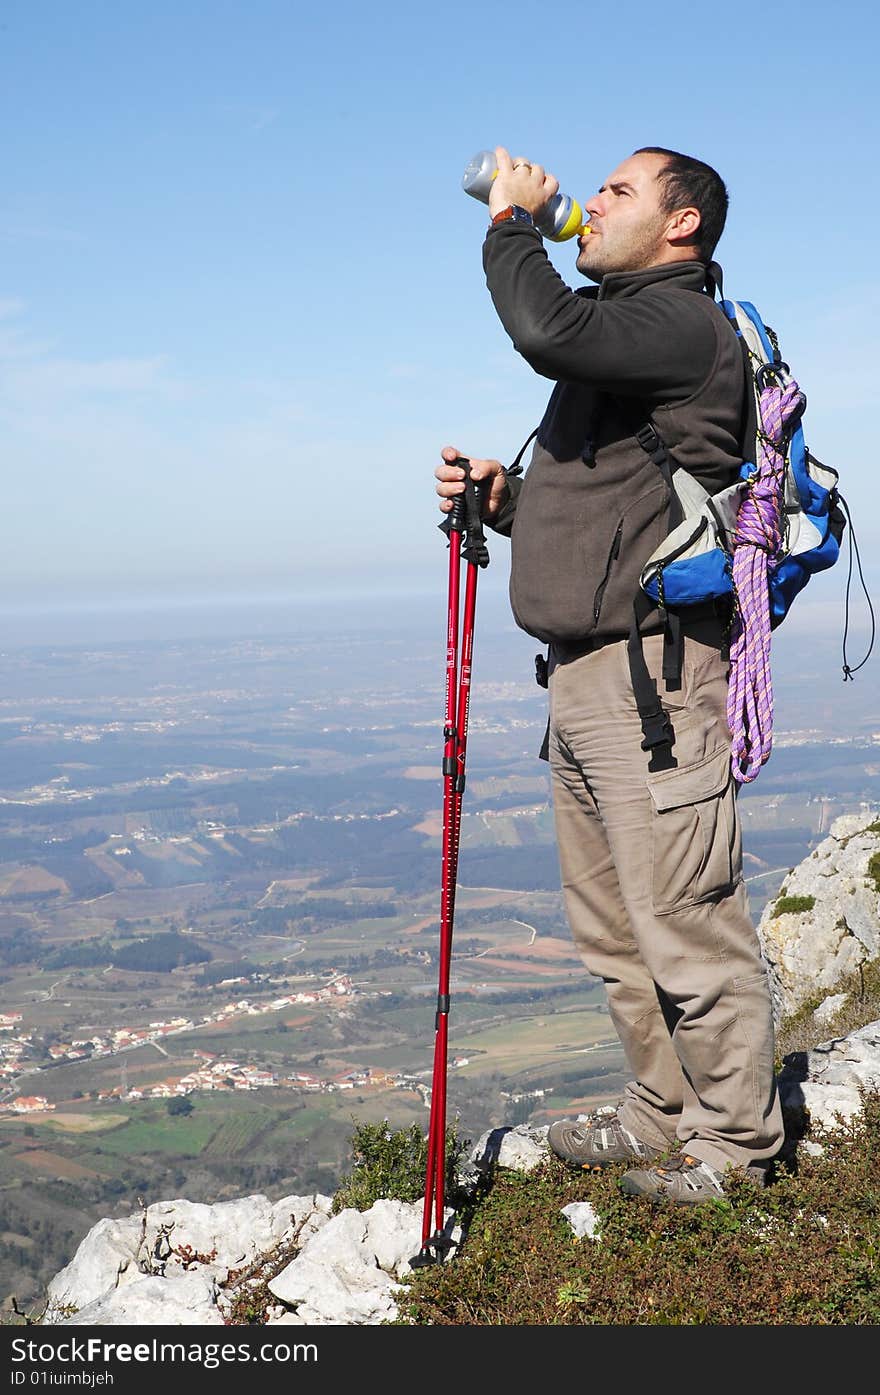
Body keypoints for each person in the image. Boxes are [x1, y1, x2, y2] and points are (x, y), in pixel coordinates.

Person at [435, 144, 784, 1205]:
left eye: (618, 192)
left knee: (683, 918)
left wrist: (512, 220)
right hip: (584, 680)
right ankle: (659, 1112)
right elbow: (609, 498)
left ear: (680, 226)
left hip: (656, 685)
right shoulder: (622, 349)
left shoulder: (677, 323)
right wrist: (503, 499)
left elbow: (545, 329)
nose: (592, 204)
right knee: (613, 928)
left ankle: (736, 1148)